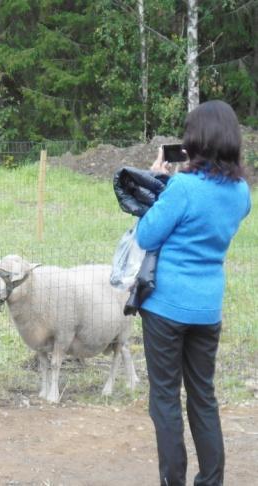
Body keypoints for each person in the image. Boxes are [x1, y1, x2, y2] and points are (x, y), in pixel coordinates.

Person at [136, 100, 251, 486]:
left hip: (166, 307)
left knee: (166, 399)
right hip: (207, 309)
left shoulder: (181, 187)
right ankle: (212, 480)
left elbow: (148, 233)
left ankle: (174, 481)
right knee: (204, 398)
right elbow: (203, 215)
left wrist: (158, 182)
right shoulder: (241, 194)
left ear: (196, 141)